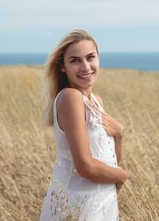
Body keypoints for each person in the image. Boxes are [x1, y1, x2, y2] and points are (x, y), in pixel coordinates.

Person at [39, 29, 129, 220]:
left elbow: (109, 161)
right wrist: (123, 176)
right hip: (78, 203)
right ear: (62, 66)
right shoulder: (70, 97)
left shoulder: (97, 101)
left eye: (90, 57)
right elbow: (85, 166)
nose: (86, 67)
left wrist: (119, 134)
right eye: (75, 60)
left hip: (102, 199)